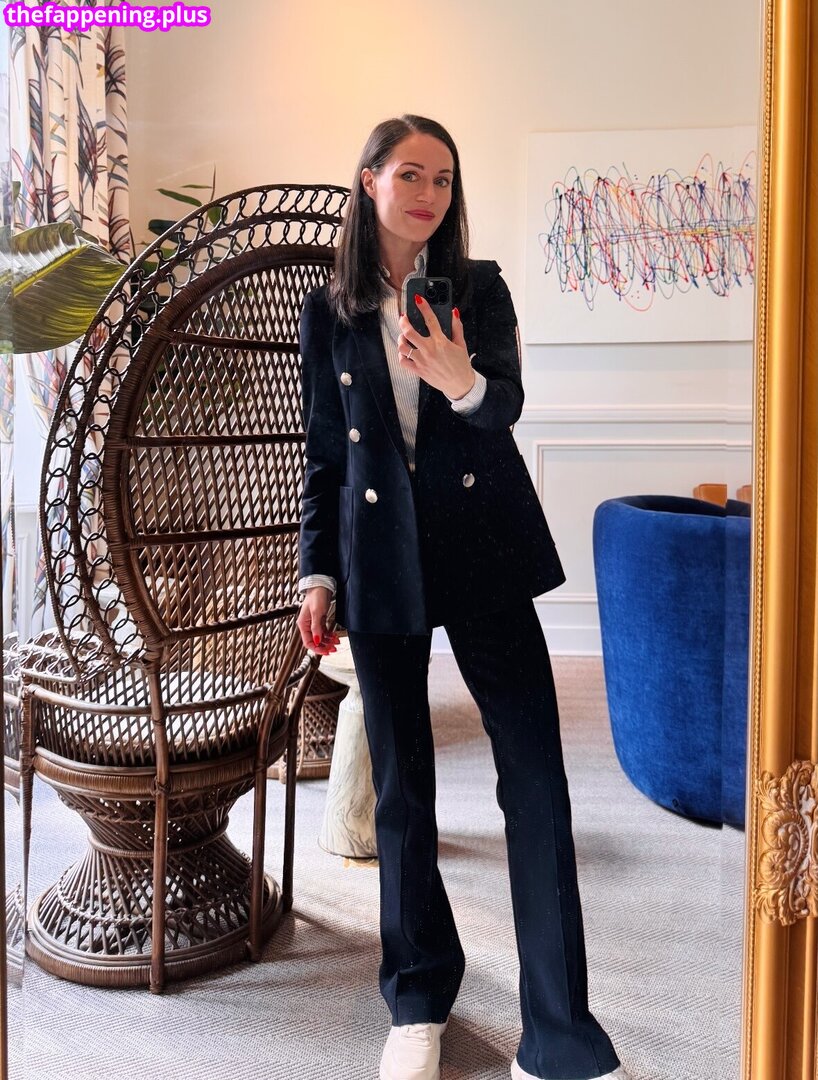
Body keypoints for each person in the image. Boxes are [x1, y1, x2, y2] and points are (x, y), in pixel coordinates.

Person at [296, 114, 631, 1080]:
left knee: (535, 778)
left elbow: (505, 408)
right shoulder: (330, 309)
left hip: (483, 549)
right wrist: (318, 573)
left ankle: (559, 1033)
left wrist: (464, 382)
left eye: (443, 178)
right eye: (410, 174)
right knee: (403, 790)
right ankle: (418, 998)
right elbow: (323, 456)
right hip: (380, 561)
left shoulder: (478, 290)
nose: (428, 194)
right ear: (369, 181)